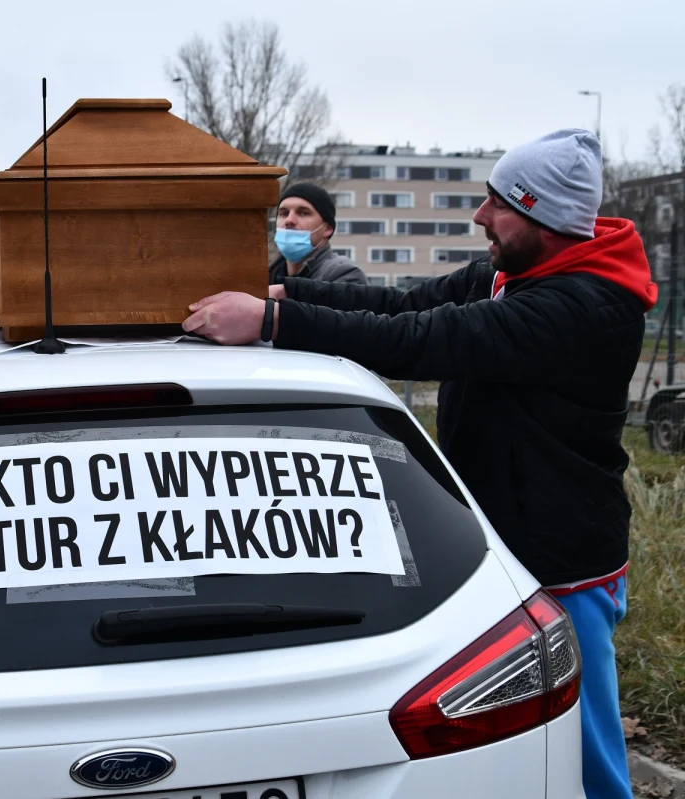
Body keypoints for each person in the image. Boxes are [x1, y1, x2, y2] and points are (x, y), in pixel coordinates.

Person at [184, 129, 656, 799]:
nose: (480, 216)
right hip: (505, 548)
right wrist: (290, 302)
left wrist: (271, 323)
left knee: (587, 758)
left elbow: (419, 340)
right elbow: (406, 303)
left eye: (499, 204)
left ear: (544, 218)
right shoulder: (515, 273)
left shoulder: (579, 308)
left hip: (565, 567)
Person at [269, 182, 366, 285]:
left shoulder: (346, 275)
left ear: (327, 229)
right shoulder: (267, 276)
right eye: (284, 213)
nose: (289, 220)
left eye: (303, 213)